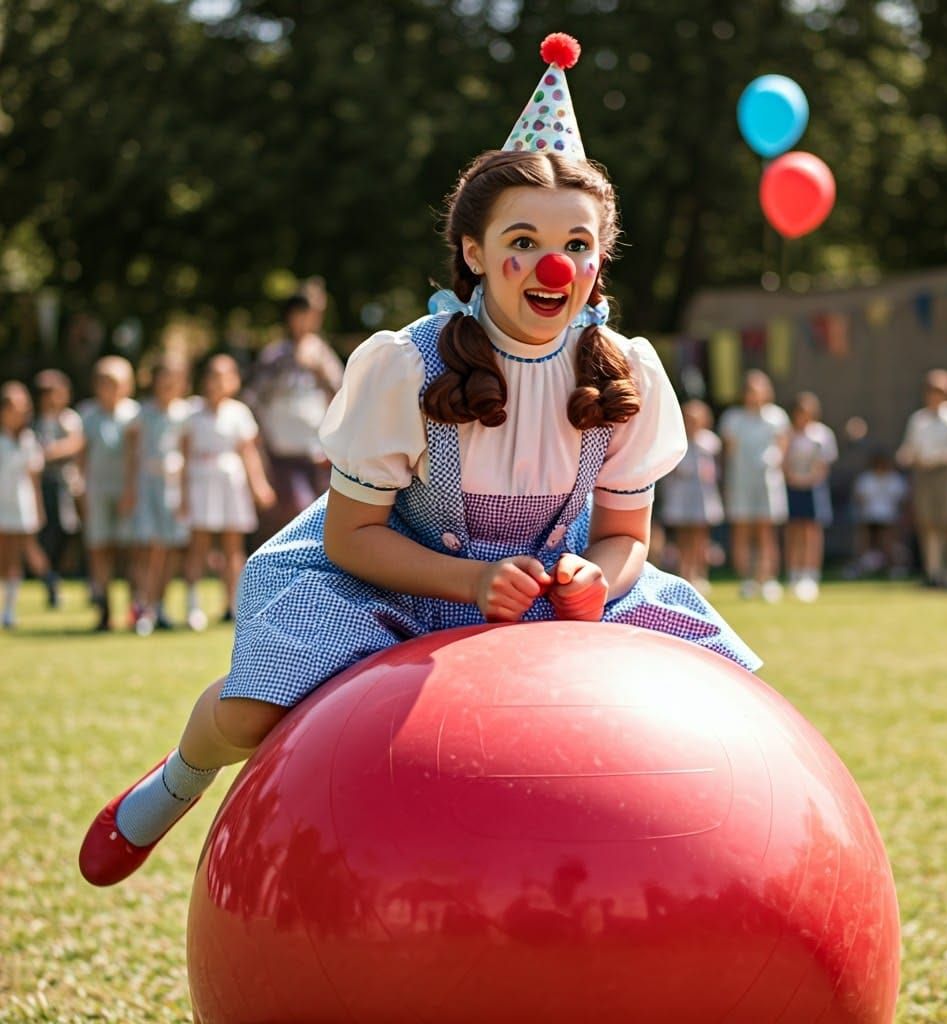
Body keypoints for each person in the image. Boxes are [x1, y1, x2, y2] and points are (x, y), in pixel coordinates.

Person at [79, 33, 760, 888]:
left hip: (554, 595)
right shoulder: (407, 364)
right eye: (525, 239)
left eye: (579, 245)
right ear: (474, 253)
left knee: (724, 712)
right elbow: (351, 537)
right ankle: (177, 780)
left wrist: (599, 578)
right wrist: (469, 583)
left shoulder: (628, 370)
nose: (556, 265)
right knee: (255, 710)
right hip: (397, 579)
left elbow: (628, 535)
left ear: (598, 262)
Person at [180, 354, 276, 630]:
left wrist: (259, 486)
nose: (218, 382)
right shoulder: (192, 413)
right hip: (201, 480)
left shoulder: (239, 413)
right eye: (213, 375)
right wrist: (183, 494)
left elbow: (248, 453)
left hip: (230, 482)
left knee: (233, 545)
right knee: (198, 545)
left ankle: (233, 604)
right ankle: (192, 605)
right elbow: (185, 456)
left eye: (224, 376)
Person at [243, 292, 344, 536]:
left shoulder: (323, 354)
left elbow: (343, 396)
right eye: (305, 315)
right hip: (283, 452)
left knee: (320, 515)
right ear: (291, 317)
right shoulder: (274, 356)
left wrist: (319, 370)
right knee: (297, 512)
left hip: (318, 453)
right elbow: (254, 401)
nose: (310, 321)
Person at [123, 356, 193, 634]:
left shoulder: (184, 414)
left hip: (172, 485)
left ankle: (160, 604)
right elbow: (132, 455)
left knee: (168, 547)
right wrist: (129, 489)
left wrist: (186, 494)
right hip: (146, 483)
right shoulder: (143, 414)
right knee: (149, 547)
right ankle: (143, 606)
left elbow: (186, 456)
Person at [896, 369, 947, 587]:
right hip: (924, 476)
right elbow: (909, 449)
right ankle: (933, 574)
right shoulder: (918, 419)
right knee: (928, 525)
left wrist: (938, 458)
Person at [79, 356, 139, 630]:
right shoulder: (88, 414)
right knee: (99, 548)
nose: (110, 388)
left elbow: (135, 457)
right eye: (104, 382)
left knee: (128, 550)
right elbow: (82, 454)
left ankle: (133, 608)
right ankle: (103, 607)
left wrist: (131, 490)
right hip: (98, 490)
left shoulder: (134, 415)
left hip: (127, 490)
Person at [720, 370, 790, 602]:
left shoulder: (777, 417)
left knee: (766, 532)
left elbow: (782, 448)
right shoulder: (733, 418)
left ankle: (767, 579)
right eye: (750, 390)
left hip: (768, 483)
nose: (754, 395)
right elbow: (728, 453)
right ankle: (747, 580)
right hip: (741, 482)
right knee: (743, 531)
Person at [656, 399, 723, 593]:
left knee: (700, 537)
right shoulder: (676, 440)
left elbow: (717, 469)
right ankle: (684, 573)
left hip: (702, 495)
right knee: (683, 536)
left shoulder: (710, 442)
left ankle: (700, 574)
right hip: (681, 495)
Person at [33, 370, 84, 607]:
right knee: (46, 534)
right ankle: (50, 578)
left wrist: (48, 453)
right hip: (41, 486)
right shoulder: (35, 422)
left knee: (68, 530)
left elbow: (75, 444)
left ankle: (61, 573)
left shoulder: (68, 419)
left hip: (66, 485)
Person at [782, 392, 837, 601]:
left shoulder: (822, 435)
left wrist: (808, 479)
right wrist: (792, 478)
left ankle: (811, 574)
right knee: (794, 530)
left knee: (811, 530)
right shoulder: (788, 435)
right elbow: (783, 460)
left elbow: (823, 466)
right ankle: (794, 572)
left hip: (814, 488)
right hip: (792, 486)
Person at [0, 382, 46, 629]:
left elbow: (33, 478)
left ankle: (8, 610)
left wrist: (38, 509)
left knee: (14, 560)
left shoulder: (28, 441)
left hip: (19, 506)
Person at [851, 450, 909, 577]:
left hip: (889, 517)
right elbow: (859, 498)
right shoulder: (866, 478)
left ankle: (895, 567)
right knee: (864, 541)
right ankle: (860, 566)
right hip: (869, 517)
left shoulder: (895, 478)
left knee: (889, 542)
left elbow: (902, 500)